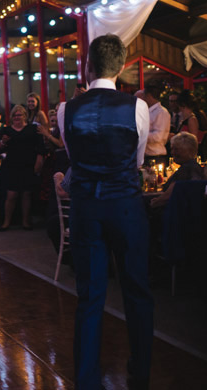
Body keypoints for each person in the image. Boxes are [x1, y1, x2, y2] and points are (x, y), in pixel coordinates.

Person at [58, 33, 153, 390]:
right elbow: (138, 159)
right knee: (137, 291)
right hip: (126, 207)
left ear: (87, 65)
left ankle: (86, 379)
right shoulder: (137, 108)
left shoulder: (66, 109)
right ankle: (141, 372)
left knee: (90, 295)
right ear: (123, 66)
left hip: (86, 209)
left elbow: (74, 159)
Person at [0, 105, 45, 231]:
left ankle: (26, 222)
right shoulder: (6, 130)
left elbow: (40, 147)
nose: (17, 117)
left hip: (28, 165)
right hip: (12, 165)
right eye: (15, 115)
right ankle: (6, 222)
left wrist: (39, 161)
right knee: (11, 194)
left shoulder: (33, 129)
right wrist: (3, 142)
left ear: (25, 116)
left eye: (20, 115)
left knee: (26, 194)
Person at [150, 132, 204, 208]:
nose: (172, 153)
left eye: (176, 149)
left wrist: (154, 202)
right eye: (172, 149)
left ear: (189, 150)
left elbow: (170, 194)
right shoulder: (194, 167)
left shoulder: (186, 169)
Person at [135, 83, 171, 166]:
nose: (142, 98)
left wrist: (139, 135)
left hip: (156, 157)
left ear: (149, 95)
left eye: (143, 95)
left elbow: (158, 136)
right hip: (147, 156)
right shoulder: (148, 111)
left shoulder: (161, 112)